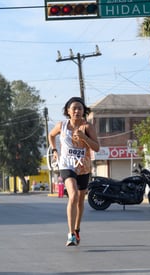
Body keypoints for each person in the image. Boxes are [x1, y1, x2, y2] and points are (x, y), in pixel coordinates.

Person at [48, 97, 100, 246]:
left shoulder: (87, 127)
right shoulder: (62, 125)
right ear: (68, 111)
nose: (77, 111)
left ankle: (77, 229)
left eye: (80, 108)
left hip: (83, 166)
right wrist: (54, 150)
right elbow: (51, 135)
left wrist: (84, 137)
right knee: (73, 196)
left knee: (80, 200)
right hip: (67, 165)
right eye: (74, 108)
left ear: (84, 111)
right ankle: (70, 234)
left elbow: (96, 147)